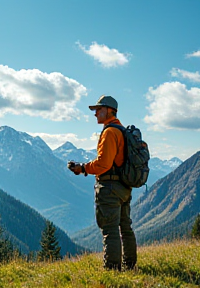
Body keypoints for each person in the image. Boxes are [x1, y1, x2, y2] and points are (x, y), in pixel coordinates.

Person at [68, 95, 137, 271]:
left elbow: (104, 164)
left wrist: (82, 168)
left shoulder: (109, 132)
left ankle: (112, 269)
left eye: (98, 109)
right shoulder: (121, 130)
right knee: (125, 228)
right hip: (124, 187)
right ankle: (130, 265)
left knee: (110, 230)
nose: (95, 113)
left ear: (109, 110)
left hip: (110, 188)